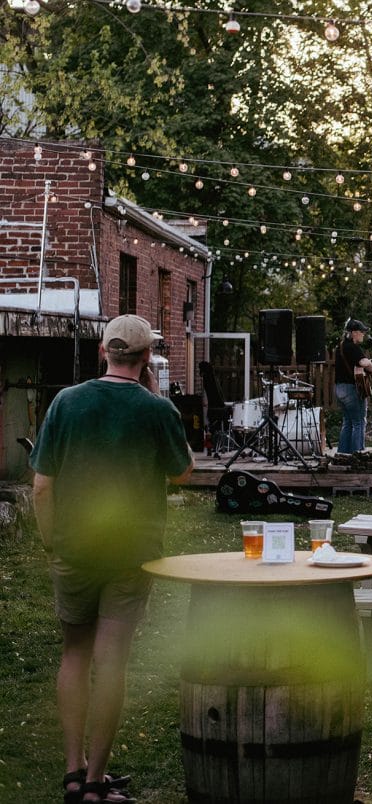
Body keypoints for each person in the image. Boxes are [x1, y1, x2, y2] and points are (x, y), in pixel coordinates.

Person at [30, 314, 194, 804]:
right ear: (146, 358)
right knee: (112, 661)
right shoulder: (155, 408)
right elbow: (183, 473)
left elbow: (42, 485)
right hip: (131, 554)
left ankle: (73, 771)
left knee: (74, 654)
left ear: (104, 351)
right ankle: (97, 782)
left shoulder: (66, 401)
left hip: (73, 549)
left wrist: (50, 542)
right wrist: (157, 396)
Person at [334, 319, 372, 454]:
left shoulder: (341, 346)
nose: (363, 334)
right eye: (362, 332)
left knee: (348, 422)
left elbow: (358, 366)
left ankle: (343, 454)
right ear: (354, 333)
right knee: (359, 423)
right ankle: (358, 454)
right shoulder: (352, 347)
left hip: (340, 389)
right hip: (351, 389)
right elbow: (363, 362)